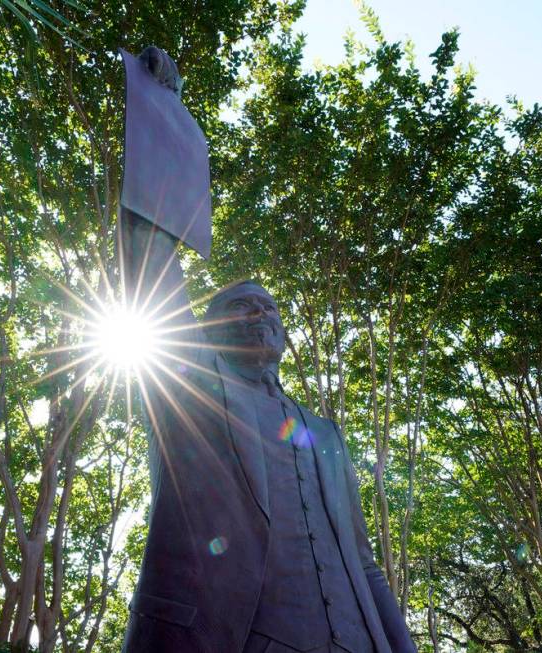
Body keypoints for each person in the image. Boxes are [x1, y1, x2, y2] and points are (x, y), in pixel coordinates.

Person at [119, 47, 416, 653]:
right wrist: (161, 112)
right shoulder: (192, 392)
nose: (259, 314)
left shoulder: (326, 434)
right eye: (240, 306)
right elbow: (148, 262)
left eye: (269, 308)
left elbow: (366, 563)